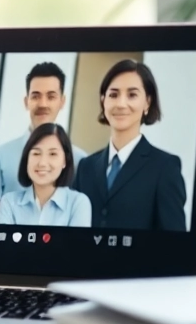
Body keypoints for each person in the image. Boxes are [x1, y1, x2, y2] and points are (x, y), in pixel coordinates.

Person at [72, 59, 187, 231]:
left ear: (147, 102)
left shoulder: (165, 167)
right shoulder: (85, 167)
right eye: (113, 95)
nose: (121, 104)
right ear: (103, 101)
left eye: (132, 95)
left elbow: (174, 241)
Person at [0, 62, 86, 199]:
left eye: (51, 97)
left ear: (62, 102)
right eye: (35, 96)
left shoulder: (80, 161)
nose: (43, 104)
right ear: (26, 101)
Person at [0, 123, 92, 227]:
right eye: (36, 153)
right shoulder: (9, 202)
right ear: (27, 159)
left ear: (65, 161)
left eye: (53, 154)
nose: (42, 163)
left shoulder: (78, 203)